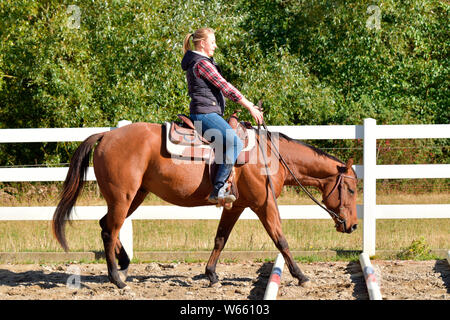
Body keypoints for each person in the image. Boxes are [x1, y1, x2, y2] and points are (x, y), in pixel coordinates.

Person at [181, 27, 263, 205]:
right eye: (212, 42)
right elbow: (224, 86)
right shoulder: (202, 63)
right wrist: (249, 106)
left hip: (206, 112)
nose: (215, 46)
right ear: (202, 44)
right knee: (234, 142)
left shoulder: (198, 61)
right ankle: (218, 188)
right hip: (205, 114)